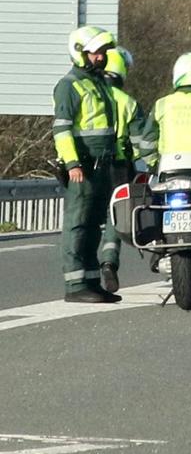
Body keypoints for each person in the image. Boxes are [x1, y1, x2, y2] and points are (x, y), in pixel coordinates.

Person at [53, 26, 121, 303]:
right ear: (80, 52)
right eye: (96, 52)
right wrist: (72, 164)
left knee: (94, 225)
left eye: (103, 53)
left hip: (102, 166)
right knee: (77, 225)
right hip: (83, 166)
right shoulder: (69, 86)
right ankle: (74, 285)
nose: (101, 57)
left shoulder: (99, 83)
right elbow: (62, 129)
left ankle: (92, 282)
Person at [96, 46, 149, 293]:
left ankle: (81, 272)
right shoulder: (128, 103)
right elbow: (141, 144)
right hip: (119, 167)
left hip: (88, 165)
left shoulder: (90, 96)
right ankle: (109, 262)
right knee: (112, 218)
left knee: (83, 219)